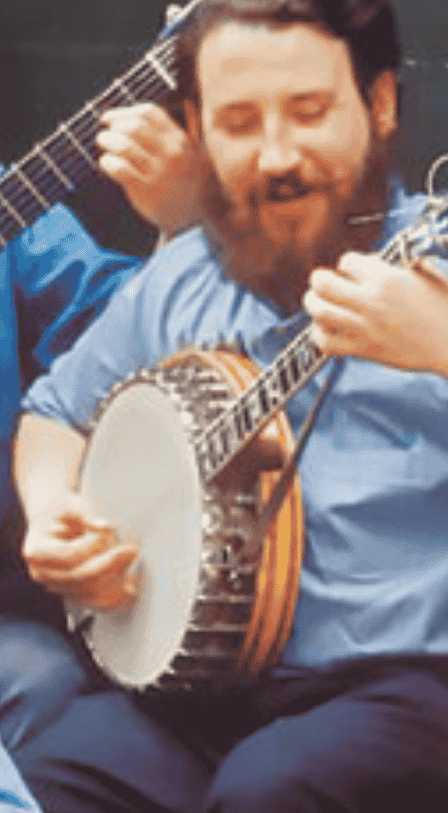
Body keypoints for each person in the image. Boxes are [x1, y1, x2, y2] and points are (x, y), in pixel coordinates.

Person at [11, 0, 448, 813]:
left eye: (310, 111)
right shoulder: (185, 276)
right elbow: (54, 409)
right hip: (197, 688)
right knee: (56, 765)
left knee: (269, 792)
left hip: (407, 689)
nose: (276, 154)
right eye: (240, 121)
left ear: (382, 104)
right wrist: (59, 510)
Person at [0, 97, 202, 813]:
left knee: (49, 686)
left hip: (14, 622)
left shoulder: (12, 207)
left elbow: (126, 336)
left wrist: (180, 225)